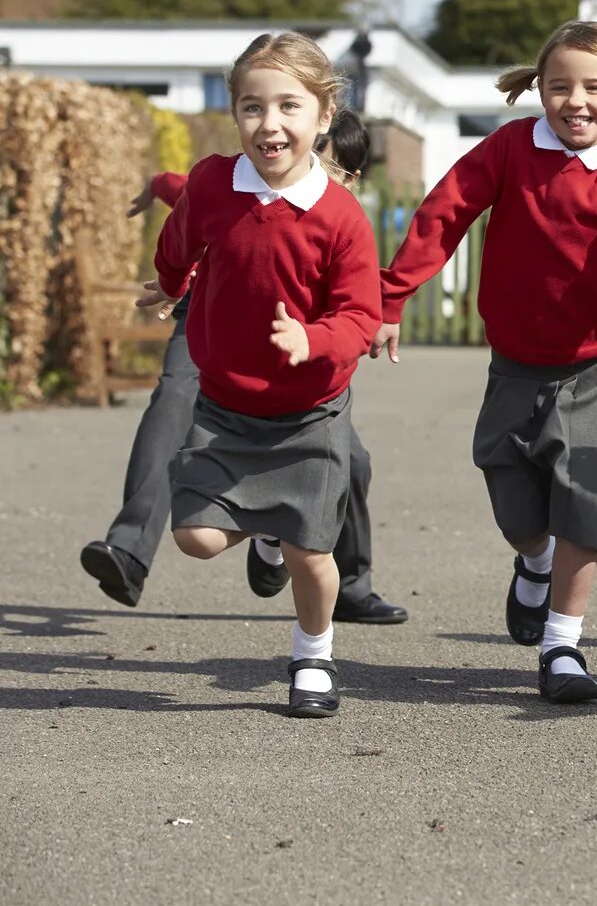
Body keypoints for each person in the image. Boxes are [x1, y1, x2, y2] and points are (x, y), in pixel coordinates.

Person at [371, 20, 597, 704]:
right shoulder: (511, 149)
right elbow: (443, 214)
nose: (575, 101)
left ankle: (563, 645)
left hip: (596, 366)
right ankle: (534, 563)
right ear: (539, 89)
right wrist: (391, 295)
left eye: (593, 87)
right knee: (517, 507)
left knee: (585, 502)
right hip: (516, 365)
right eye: (559, 86)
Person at [80, 110, 407, 626]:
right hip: (216, 321)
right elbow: (184, 192)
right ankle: (129, 548)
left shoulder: (337, 218)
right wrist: (156, 193)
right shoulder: (236, 182)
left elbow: (360, 301)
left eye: (331, 166)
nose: (310, 168)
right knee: (173, 404)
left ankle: (344, 582)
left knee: (354, 461)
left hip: (298, 345)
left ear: (349, 176)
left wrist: (363, 323)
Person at [140, 32, 381, 717]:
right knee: (195, 537)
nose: (269, 124)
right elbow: (180, 236)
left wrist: (315, 338)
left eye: (288, 107)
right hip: (224, 407)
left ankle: (313, 656)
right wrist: (167, 282)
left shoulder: (339, 215)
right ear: (234, 110)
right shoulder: (215, 182)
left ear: (323, 116)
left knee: (311, 552)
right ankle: (266, 530)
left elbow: (360, 313)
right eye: (251, 107)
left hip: (310, 412)